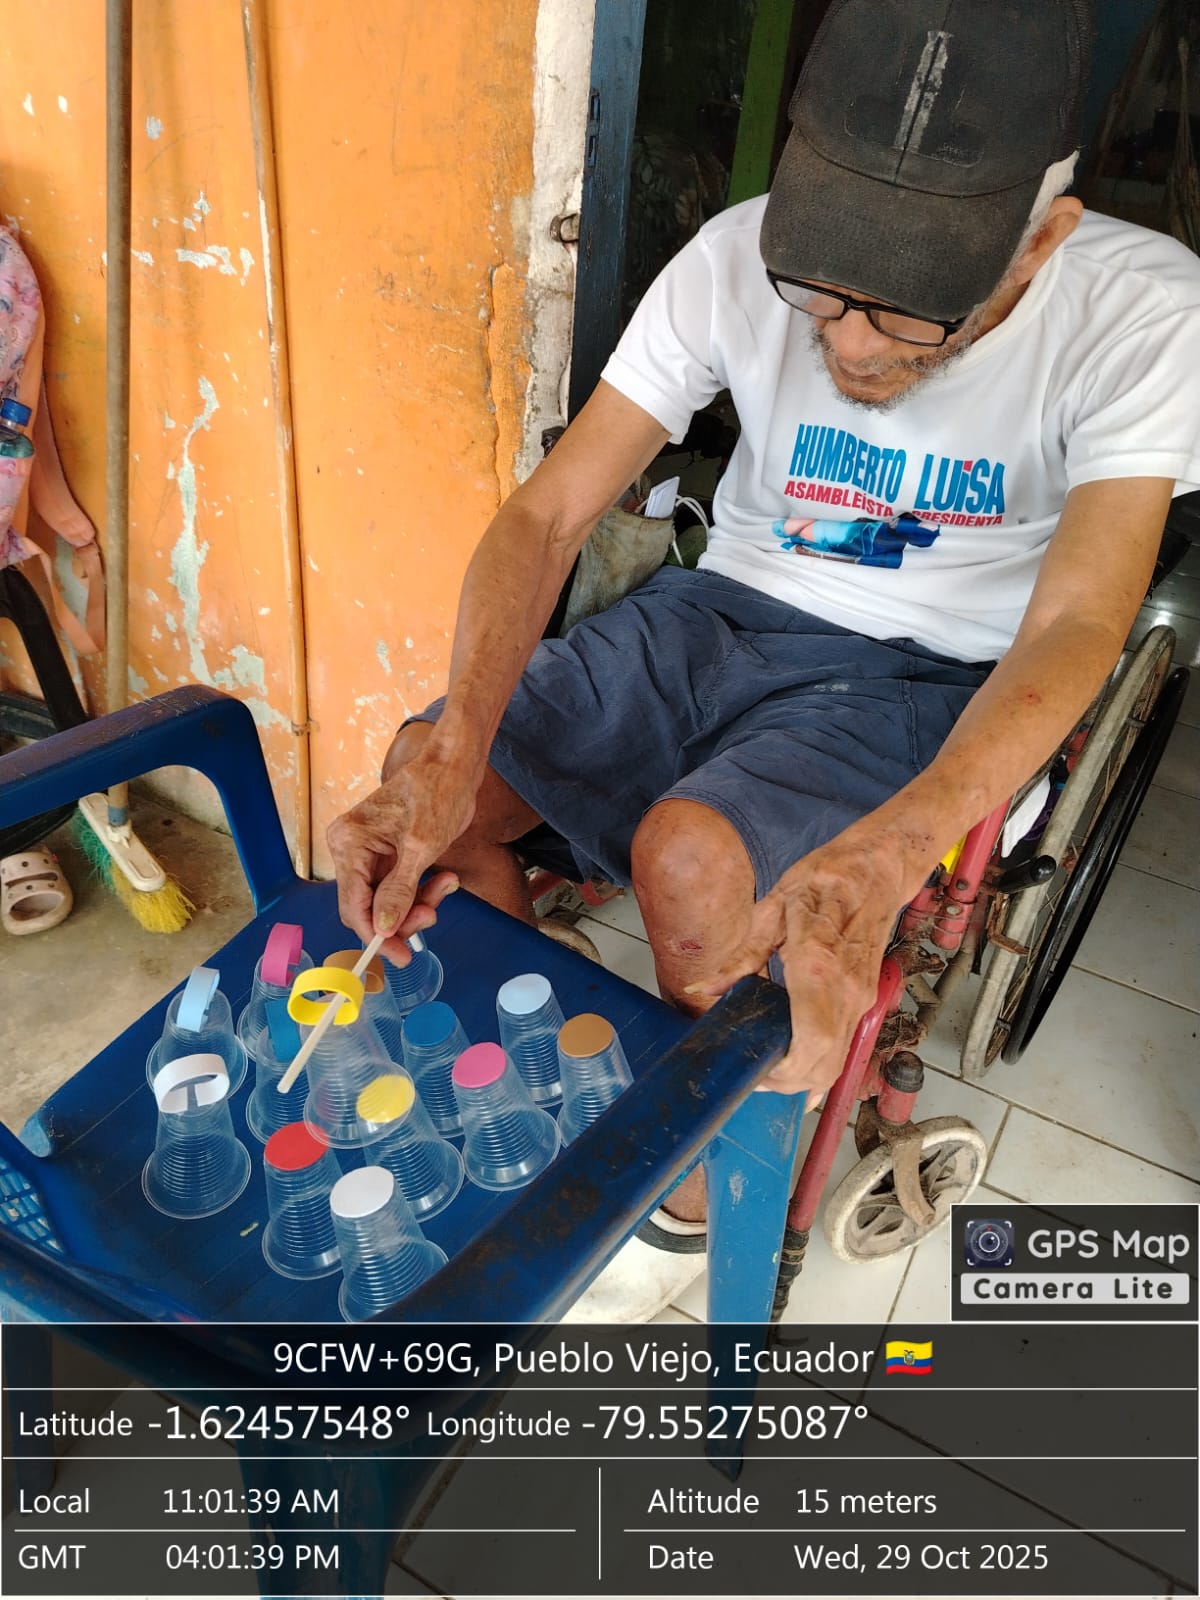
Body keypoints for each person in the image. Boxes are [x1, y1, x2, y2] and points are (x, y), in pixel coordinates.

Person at [328, 0, 1200, 1318]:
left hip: (930, 667)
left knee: (689, 856)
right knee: (428, 788)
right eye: (822, 297)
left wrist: (890, 858)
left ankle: (687, 1193)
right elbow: (550, 516)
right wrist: (451, 750)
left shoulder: (1143, 312)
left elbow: (1078, 626)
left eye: (907, 317)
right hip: (718, 610)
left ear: (1042, 239)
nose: (847, 347)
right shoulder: (736, 253)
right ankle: (529, 1098)